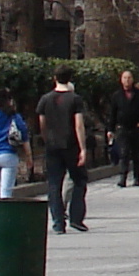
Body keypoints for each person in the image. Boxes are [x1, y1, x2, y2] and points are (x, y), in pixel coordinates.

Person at [37, 73, 91, 233]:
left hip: (53, 145)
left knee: (54, 184)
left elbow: (42, 122)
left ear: (54, 78)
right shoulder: (75, 99)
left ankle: (58, 222)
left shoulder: (45, 99)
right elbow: (79, 124)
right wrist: (83, 148)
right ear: (69, 79)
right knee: (79, 180)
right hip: (71, 144)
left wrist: (46, 138)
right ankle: (76, 218)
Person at [0, 89, 30, 209]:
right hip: (8, 155)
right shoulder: (14, 116)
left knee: (1, 186)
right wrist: (29, 157)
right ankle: (4, 216)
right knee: (6, 192)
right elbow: (24, 137)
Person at [112, 70, 139, 188]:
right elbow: (112, 113)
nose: (127, 80)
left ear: (132, 80)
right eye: (124, 78)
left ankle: (137, 177)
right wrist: (110, 129)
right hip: (122, 128)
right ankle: (122, 177)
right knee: (124, 153)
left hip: (136, 128)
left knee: (137, 154)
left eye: (129, 78)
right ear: (121, 80)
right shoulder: (117, 96)